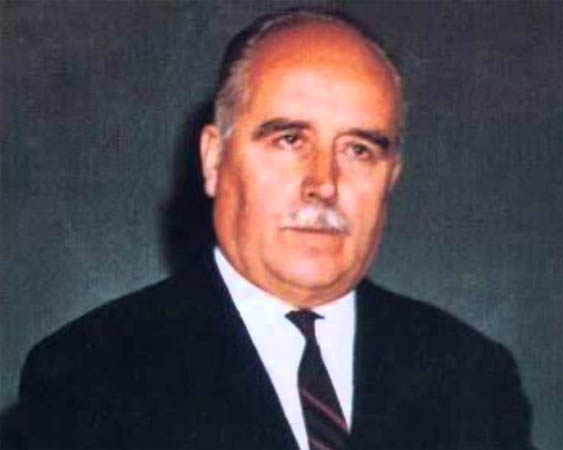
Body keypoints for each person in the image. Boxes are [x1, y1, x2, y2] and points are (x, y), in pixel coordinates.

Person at [15, 8, 533, 449]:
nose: (323, 183)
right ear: (214, 159)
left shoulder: (472, 377)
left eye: (359, 150)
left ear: (391, 177)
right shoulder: (90, 375)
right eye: (289, 140)